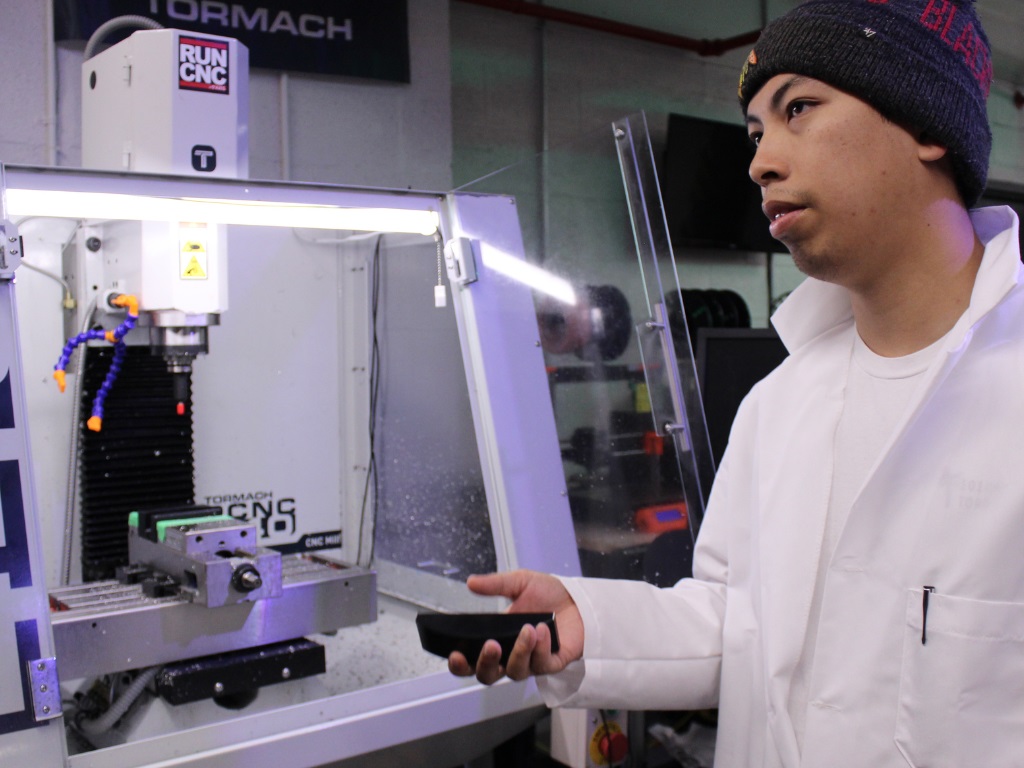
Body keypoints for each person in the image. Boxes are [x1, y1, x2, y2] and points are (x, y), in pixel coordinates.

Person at [450, 0, 1023, 765]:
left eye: (799, 109)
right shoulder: (779, 405)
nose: (760, 162)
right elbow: (734, 624)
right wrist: (590, 621)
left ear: (928, 126)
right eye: (756, 133)